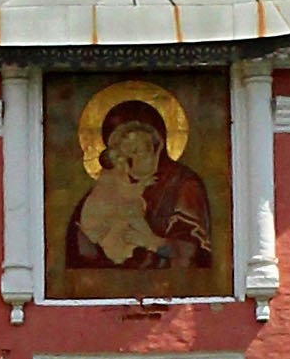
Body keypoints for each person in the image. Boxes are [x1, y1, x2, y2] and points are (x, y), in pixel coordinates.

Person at [63, 98, 213, 277]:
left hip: (168, 284)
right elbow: (81, 250)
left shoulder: (183, 185)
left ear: (157, 148)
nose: (130, 161)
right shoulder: (105, 189)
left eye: (138, 151)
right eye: (122, 153)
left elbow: (191, 251)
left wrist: (152, 242)